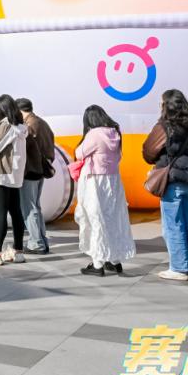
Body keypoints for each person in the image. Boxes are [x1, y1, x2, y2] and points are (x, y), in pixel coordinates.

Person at [145, 89, 188, 281]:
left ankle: (179, 268)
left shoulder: (164, 127)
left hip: (172, 181)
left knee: (173, 226)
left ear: (166, 106)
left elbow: (148, 151)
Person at [73, 105, 135, 276]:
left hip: (95, 181)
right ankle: (114, 261)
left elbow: (79, 153)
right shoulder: (115, 133)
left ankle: (97, 264)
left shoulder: (94, 134)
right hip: (113, 181)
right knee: (112, 219)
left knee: (96, 220)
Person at [0, 95, 28, 265]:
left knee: (0, 213)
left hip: (1, 175)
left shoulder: (6, 125)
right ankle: (18, 251)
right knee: (16, 212)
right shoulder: (20, 127)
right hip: (14, 175)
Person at [18, 98, 56, 254]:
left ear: (19, 110)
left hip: (30, 171)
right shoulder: (42, 123)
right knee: (35, 206)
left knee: (29, 207)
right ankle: (42, 240)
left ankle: (36, 242)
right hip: (40, 170)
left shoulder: (28, 126)